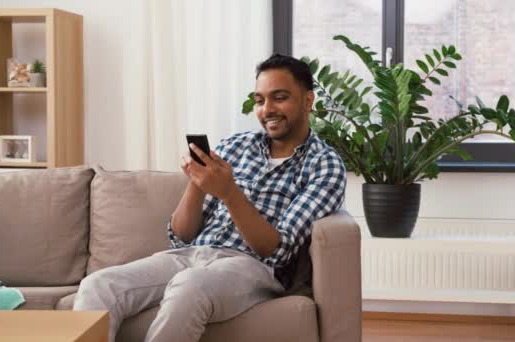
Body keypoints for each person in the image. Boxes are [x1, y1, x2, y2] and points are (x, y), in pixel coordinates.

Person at [73, 53, 347, 342]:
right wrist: (197, 182)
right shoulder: (235, 146)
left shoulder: (324, 165)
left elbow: (276, 250)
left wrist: (229, 192)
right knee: (98, 285)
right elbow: (181, 236)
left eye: (279, 98)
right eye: (259, 100)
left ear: (307, 101)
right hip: (191, 255)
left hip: (252, 267)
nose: (267, 109)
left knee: (191, 285)